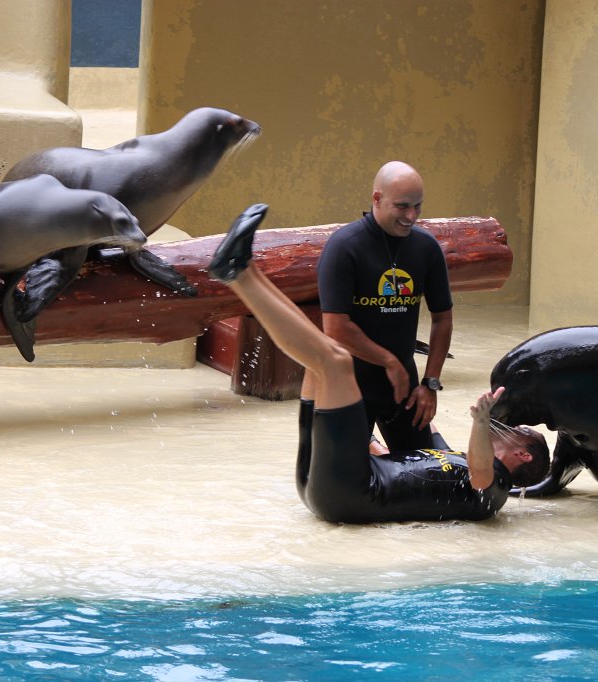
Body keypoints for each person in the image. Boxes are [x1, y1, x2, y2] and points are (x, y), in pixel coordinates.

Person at [210, 203, 550, 523]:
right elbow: (410, 438)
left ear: (524, 456)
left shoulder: (496, 493)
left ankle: (237, 274)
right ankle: (245, 268)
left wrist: (480, 420)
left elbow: (479, 476)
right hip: (328, 485)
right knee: (324, 355)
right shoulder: (453, 456)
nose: (512, 424)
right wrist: (420, 390)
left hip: (350, 492)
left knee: (335, 361)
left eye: (521, 432)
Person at [317, 161, 451, 452]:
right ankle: (369, 444)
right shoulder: (345, 246)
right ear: (377, 198)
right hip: (348, 383)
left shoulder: (426, 248)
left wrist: (430, 384)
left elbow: (442, 318)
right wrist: (389, 361)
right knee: (347, 486)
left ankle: (397, 442)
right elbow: (335, 327)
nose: (411, 216)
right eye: (402, 206)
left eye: (418, 206)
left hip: (403, 385)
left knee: (425, 477)